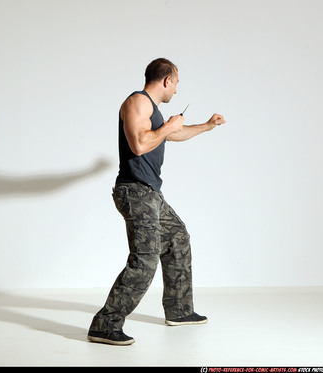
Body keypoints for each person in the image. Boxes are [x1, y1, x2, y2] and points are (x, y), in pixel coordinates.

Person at [87, 58, 226, 345]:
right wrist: (168, 126)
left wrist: (207, 127)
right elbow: (139, 145)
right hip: (135, 192)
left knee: (177, 237)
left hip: (150, 193)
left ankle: (179, 310)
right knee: (145, 260)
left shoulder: (154, 112)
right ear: (166, 80)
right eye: (176, 83)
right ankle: (105, 323)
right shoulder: (138, 102)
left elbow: (171, 136)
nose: (176, 89)